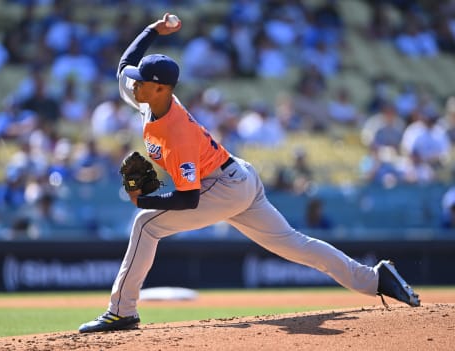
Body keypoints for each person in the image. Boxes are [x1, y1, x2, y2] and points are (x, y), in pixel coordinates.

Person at [79, 14, 420, 333]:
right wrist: (154, 29)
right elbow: (125, 64)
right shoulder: (146, 97)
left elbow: (188, 197)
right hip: (237, 176)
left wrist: (144, 200)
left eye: (142, 83)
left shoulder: (176, 133)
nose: (134, 85)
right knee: (295, 245)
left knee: (146, 225)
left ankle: (123, 310)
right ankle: (375, 279)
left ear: (161, 89)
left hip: (221, 187)